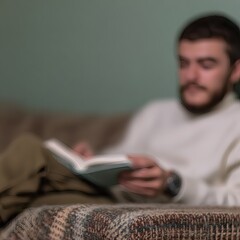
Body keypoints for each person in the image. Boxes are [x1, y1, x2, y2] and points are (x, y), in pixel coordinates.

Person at [1, 13, 240, 226]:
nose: (191, 76)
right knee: (33, 176)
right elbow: (121, 155)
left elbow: (235, 200)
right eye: (183, 63)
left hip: (149, 207)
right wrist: (92, 159)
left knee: (29, 151)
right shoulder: (156, 112)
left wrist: (173, 184)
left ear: (236, 70)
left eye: (206, 65)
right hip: (108, 194)